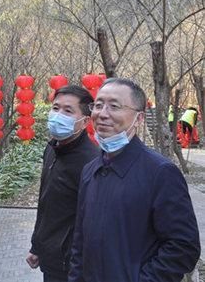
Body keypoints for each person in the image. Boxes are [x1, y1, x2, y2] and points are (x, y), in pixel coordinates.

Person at [68, 78, 200, 282]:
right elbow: (80, 241)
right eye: (99, 105)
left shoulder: (160, 173)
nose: (103, 114)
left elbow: (183, 246)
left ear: (139, 119)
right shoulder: (90, 170)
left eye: (114, 106)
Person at [27, 85, 99, 282]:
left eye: (68, 111)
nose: (58, 115)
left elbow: (93, 221)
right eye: (56, 108)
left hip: (73, 265)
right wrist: (36, 245)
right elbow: (45, 203)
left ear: (84, 122)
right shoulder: (52, 149)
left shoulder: (92, 162)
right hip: (50, 257)